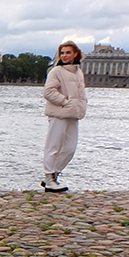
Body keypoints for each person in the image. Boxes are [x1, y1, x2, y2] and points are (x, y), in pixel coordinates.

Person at [41, 40, 87, 193]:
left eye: (68, 52)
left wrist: (80, 106)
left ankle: (54, 174)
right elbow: (48, 92)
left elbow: (81, 93)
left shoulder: (78, 72)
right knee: (53, 146)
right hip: (59, 113)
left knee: (70, 148)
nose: (65, 55)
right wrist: (65, 102)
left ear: (75, 54)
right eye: (62, 53)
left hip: (73, 114)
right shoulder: (56, 71)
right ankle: (49, 178)